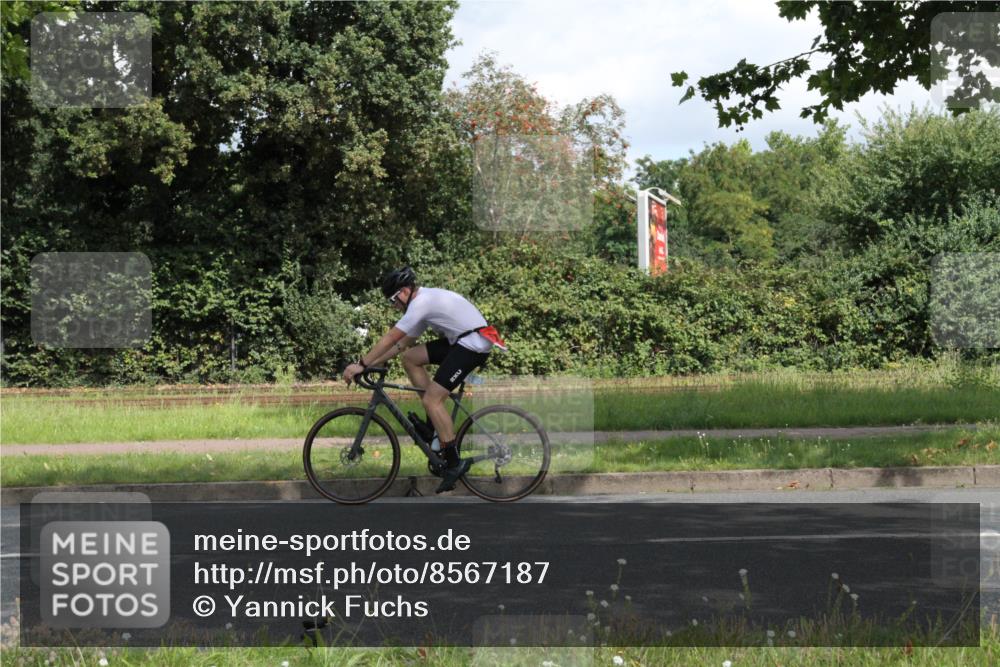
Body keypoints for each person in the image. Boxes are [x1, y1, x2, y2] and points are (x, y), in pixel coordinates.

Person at [342, 267, 505, 493]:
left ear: (405, 291)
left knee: (432, 400)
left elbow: (391, 337)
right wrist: (371, 364)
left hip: (473, 345)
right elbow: (402, 346)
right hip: (461, 340)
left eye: (393, 299)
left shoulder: (421, 303)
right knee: (410, 358)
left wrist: (360, 363)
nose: (394, 305)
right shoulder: (422, 305)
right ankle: (434, 426)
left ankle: (453, 462)